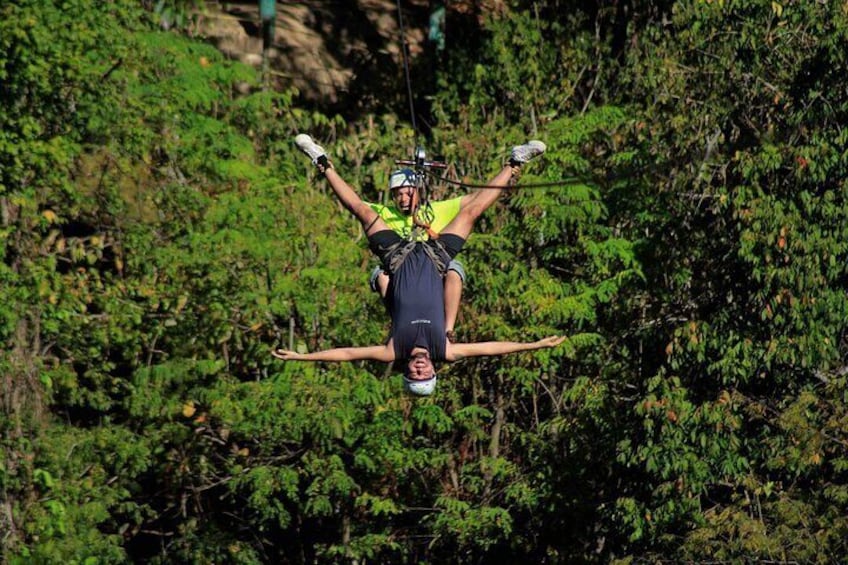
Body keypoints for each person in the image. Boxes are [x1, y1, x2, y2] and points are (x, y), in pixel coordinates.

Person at [273, 134, 562, 396]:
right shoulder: (444, 349)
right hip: (436, 260)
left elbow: (349, 353)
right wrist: (533, 345)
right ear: (434, 370)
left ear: (407, 371)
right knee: (473, 212)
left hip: (398, 259)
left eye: (415, 375)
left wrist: (304, 357)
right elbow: (489, 349)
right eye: (425, 375)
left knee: (361, 210)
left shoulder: (392, 350)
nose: (420, 370)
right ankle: (515, 163)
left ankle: (320, 160)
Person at [366, 168, 466, 339]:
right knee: (381, 276)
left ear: (419, 193)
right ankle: (398, 323)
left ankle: (448, 330)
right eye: (399, 195)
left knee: (455, 270)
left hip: (432, 266)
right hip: (401, 271)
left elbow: (473, 202)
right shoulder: (383, 213)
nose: (404, 199)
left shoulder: (435, 210)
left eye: (408, 194)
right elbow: (354, 203)